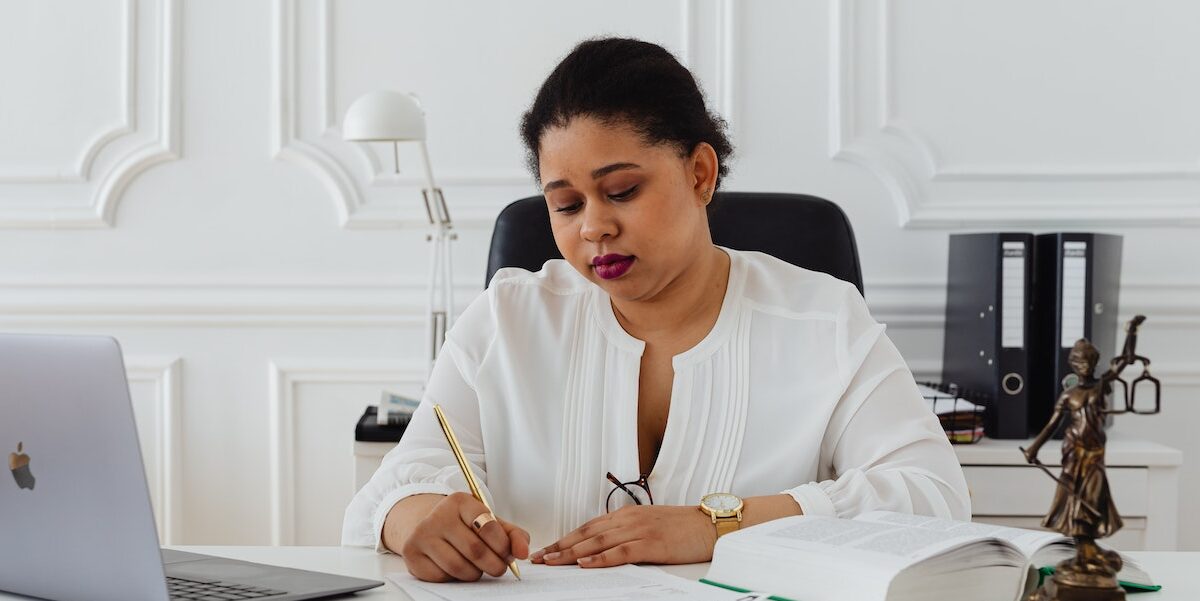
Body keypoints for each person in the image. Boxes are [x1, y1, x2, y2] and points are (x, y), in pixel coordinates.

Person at [342, 37, 970, 583]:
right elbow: (390, 491)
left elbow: (933, 498)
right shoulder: (507, 319)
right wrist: (420, 521)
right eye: (565, 204)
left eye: (621, 191)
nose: (594, 227)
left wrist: (717, 525)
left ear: (700, 174)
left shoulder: (824, 320)